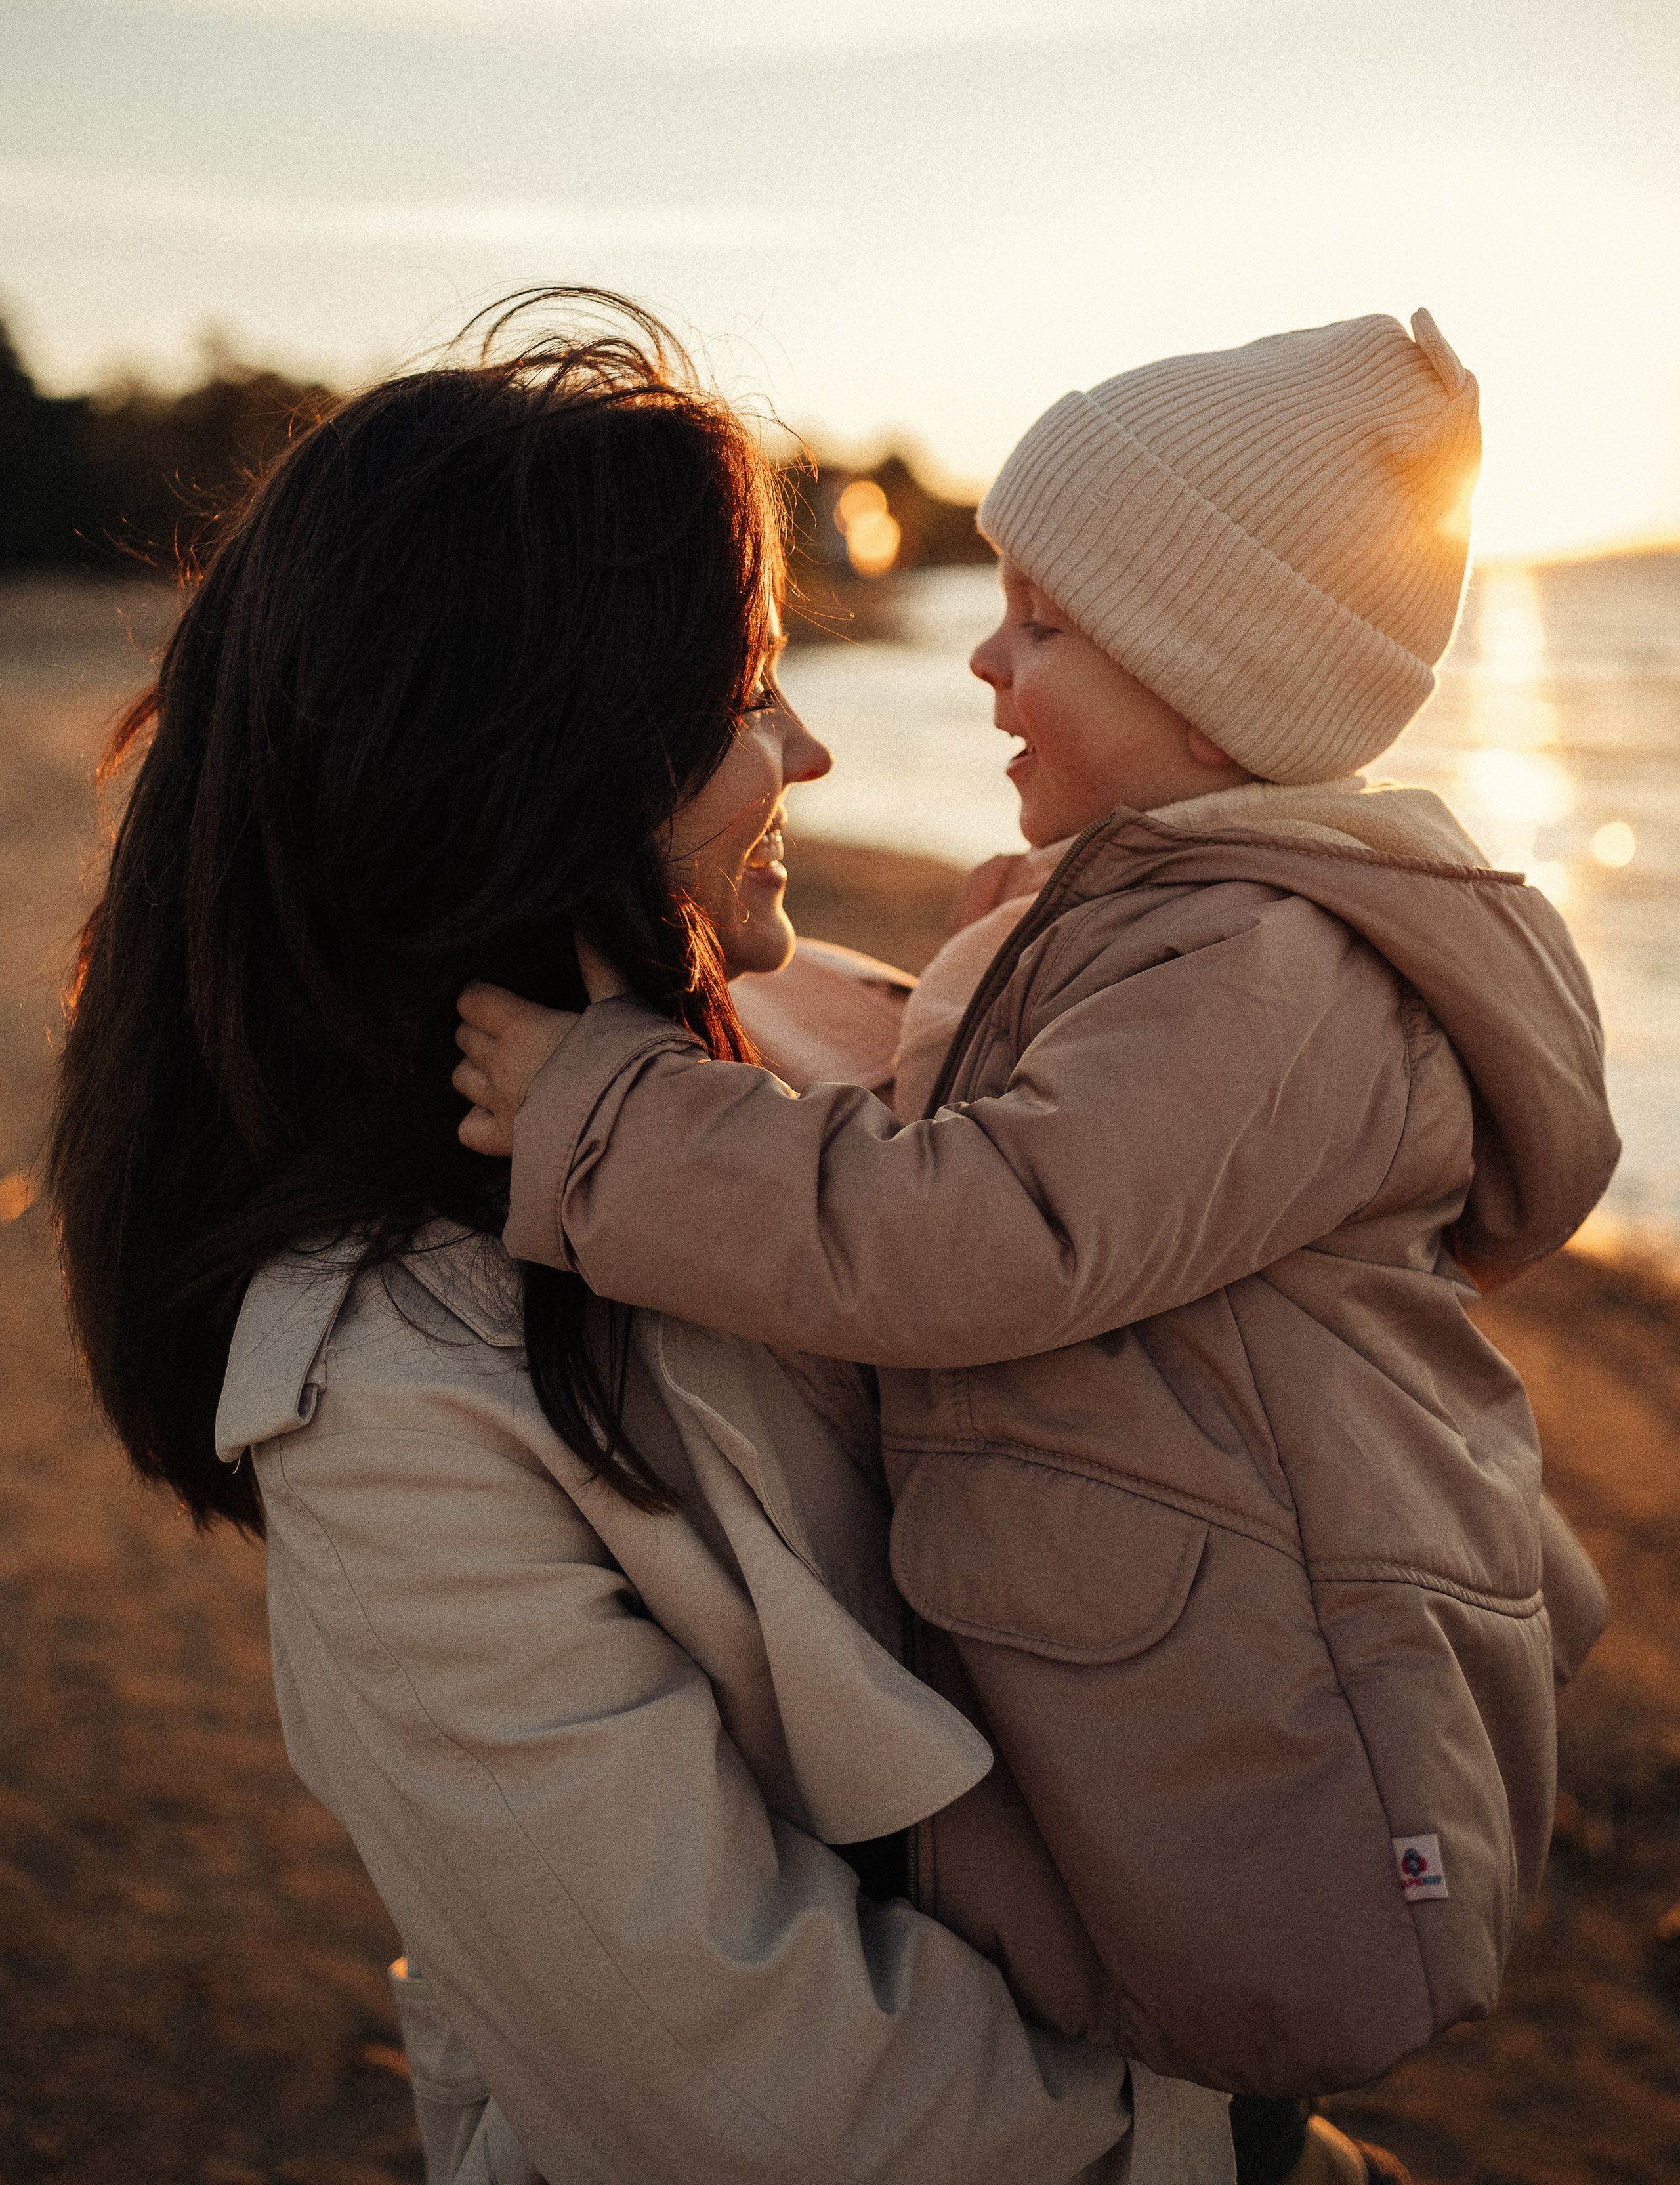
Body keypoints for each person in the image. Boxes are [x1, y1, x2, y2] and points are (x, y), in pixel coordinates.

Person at [48, 295, 1238, 2185]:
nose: (816, 756)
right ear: (532, 762)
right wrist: (1241, 2157)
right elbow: (764, 2097)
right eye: (745, 695)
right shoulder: (385, 1399)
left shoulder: (834, 1037)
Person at [453, 312, 1617, 2142]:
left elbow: (981, 1231)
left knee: (1213, 1999)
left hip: (1282, 1735)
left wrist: (609, 1116)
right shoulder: (1168, 926)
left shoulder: (1265, 964)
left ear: (1213, 680)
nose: (985, 663)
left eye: (1046, 626)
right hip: (1153, 1645)